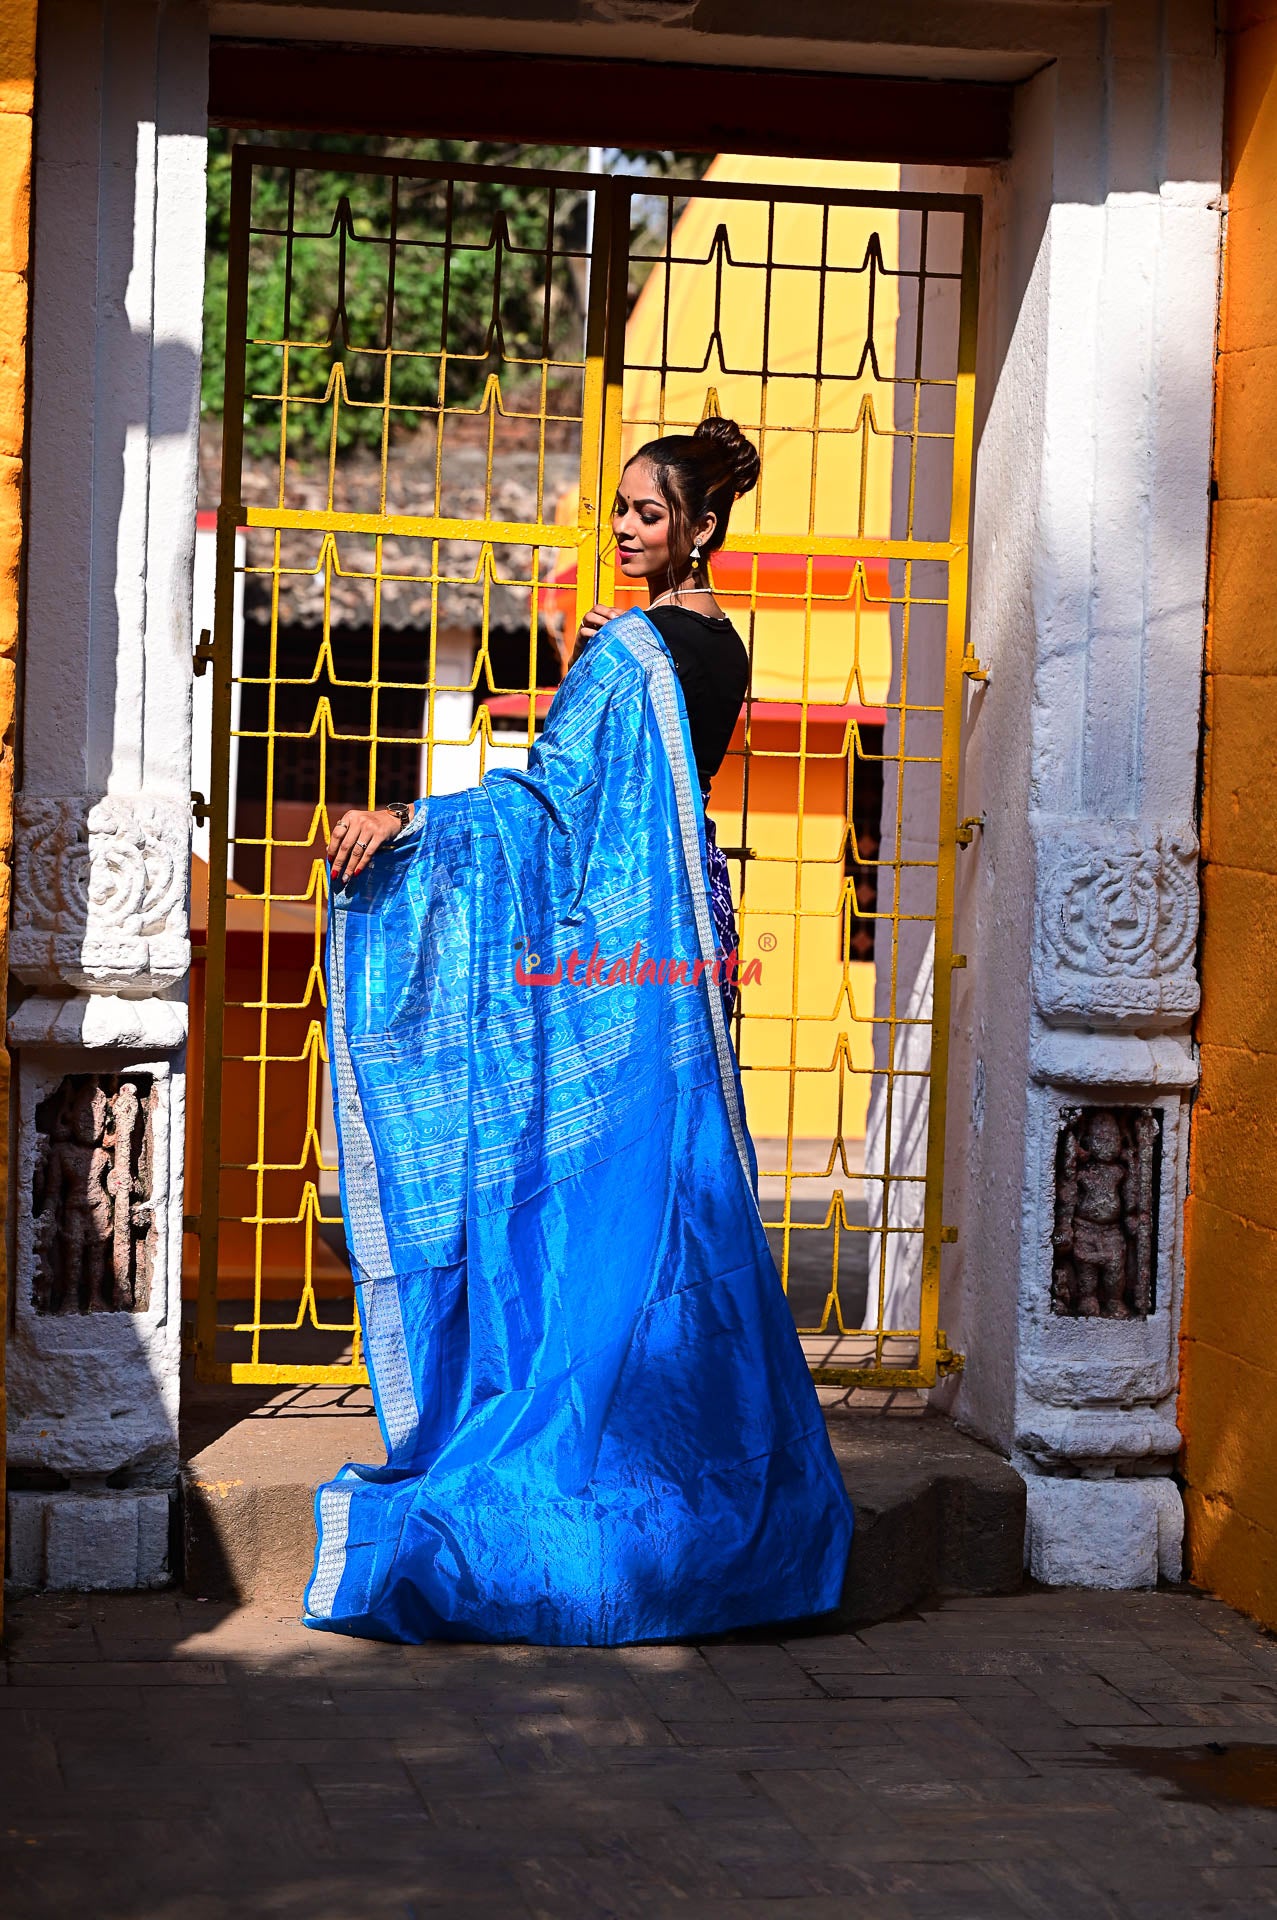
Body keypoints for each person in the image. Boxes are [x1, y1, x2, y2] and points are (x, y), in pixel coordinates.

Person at [309, 416, 854, 1646]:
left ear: (699, 528)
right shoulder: (722, 648)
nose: (621, 529)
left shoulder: (631, 651)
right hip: (683, 967)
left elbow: (547, 810)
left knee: (592, 1224)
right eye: (618, 511)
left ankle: (593, 1481)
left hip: (608, 978)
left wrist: (411, 823)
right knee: (673, 1214)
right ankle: (718, 1488)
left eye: (646, 514)